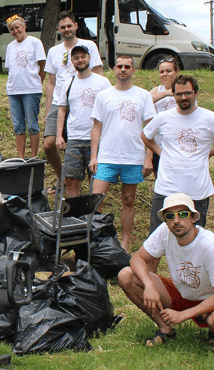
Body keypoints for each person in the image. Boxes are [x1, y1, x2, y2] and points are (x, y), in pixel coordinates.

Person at [118, 193, 214, 348]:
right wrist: (149, 285)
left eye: (182, 214)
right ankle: (165, 329)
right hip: (183, 294)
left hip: (209, 299)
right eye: (170, 216)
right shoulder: (165, 231)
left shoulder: (209, 245)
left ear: (194, 218)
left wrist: (183, 315)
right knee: (126, 275)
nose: (176, 221)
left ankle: (211, 330)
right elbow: (136, 259)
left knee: (212, 320)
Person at [89, 55, 155, 251]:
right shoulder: (103, 96)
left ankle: (124, 244)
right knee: (96, 198)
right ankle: (100, 241)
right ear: (114, 69)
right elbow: (96, 127)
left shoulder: (143, 95)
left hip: (133, 157)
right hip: (107, 155)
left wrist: (149, 156)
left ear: (133, 70)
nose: (123, 69)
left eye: (128, 66)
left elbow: (151, 128)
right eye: (120, 66)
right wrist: (94, 155)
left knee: (128, 200)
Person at [142, 74, 214, 234]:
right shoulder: (163, 117)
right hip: (166, 188)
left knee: (195, 239)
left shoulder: (209, 118)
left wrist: (207, 153)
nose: (183, 97)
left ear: (195, 93)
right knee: (156, 237)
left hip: (197, 190)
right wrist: (160, 152)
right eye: (179, 94)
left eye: (187, 93)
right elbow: (145, 136)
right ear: (173, 95)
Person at [44, 11, 103, 188]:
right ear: (58, 29)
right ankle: (61, 176)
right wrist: (48, 110)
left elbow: (99, 72)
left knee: (87, 140)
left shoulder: (88, 45)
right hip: (59, 102)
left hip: (84, 101)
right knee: (48, 144)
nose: (67, 29)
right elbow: (51, 82)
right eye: (63, 27)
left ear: (76, 26)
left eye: (69, 25)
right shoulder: (54, 51)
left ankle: (96, 184)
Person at [55, 45, 111, 197]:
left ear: (89, 57)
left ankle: (94, 218)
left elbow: (110, 110)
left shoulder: (103, 82)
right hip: (73, 139)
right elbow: (62, 110)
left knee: (97, 183)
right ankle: (74, 217)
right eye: (76, 57)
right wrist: (59, 135)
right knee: (71, 181)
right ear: (71, 61)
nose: (80, 60)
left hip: (98, 140)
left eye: (83, 56)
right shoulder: (68, 83)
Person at [4, 15, 46, 158]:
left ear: (24, 26)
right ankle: (20, 157)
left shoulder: (35, 42)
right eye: (12, 29)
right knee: (18, 125)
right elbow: (10, 68)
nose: (15, 31)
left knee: (32, 125)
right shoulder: (10, 47)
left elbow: (42, 65)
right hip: (14, 90)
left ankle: (33, 156)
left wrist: (38, 82)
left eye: (17, 27)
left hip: (31, 89)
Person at [148, 57, 179, 178]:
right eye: (162, 72)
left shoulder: (183, 89)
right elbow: (145, 104)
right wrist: (166, 93)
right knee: (160, 178)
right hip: (159, 145)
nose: (165, 74)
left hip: (178, 143)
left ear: (176, 72)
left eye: (169, 71)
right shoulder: (156, 90)